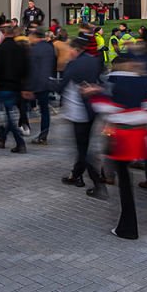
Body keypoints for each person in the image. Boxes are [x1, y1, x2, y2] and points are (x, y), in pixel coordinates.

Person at [90, 55, 147, 239]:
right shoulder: (142, 81)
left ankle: (128, 227)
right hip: (139, 136)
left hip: (121, 137)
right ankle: (126, 225)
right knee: (126, 181)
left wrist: (94, 93)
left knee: (125, 184)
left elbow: (103, 106)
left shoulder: (114, 81)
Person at [59, 34, 107, 197]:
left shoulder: (73, 65)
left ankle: (98, 183)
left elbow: (61, 86)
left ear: (75, 49)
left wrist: (47, 82)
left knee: (83, 149)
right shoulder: (93, 61)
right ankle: (76, 175)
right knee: (85, 146)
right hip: (92, 109)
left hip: (78, 112)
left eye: (70, 49)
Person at [0, 25, 30, 152]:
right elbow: (26, 68)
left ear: (3, 34)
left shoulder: (0, 49)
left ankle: (19, 142)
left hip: (4, 86)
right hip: (17, 86)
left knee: (7, 116)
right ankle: (2, 139)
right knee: (9, 115)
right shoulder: (20, 49)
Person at [24, 28, 57, 144]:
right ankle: (44, 134)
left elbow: (32, 69)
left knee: (24, 107)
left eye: (30, 36)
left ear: (35, 37)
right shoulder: (50, 47)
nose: (29, 38)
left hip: (36, 84)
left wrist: (28, 87)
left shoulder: (34, 50)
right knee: (45, 111)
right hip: (47, 82)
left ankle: (24, 129)